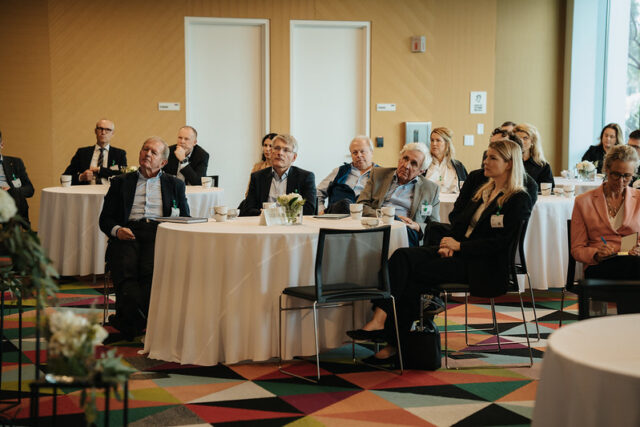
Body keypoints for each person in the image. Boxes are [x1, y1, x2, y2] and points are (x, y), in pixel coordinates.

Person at [348, 138, 532, 364]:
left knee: (413, 276)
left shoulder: (518, 198)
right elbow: (460, 224)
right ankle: (389, 333)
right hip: (460, 254)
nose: (485, 161)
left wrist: (460, 247)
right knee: (404, 257)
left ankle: (387, 334)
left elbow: (500, 244)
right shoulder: (485, 190)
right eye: (486, 156)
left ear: (509, 163)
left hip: (483, 266)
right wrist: (449, 243)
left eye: (492, 158)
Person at [99, 137, 190, 339]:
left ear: (163, 162)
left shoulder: (174, 184)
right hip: (127, 233)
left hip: (159, 234)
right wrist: (117, 230)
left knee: (150, 273)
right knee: (126, 270)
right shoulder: (121, 182)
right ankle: (139, 321)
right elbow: (105, 219)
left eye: (153, 152)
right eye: (144, 149)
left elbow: (185, 217)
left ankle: (132, 321)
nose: (147, 154)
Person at [571, 144, 640, 314]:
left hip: (633, 262)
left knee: (633, 266)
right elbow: (577, 249)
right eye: (616, 174)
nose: (621, 181)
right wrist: (596, 253)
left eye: (627, 176)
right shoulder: (584, 201)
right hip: (600, 265)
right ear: (606, 170)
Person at [357, 142, 440, 247]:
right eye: (405, 159)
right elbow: (361, 205)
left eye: (414, 163)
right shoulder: (378, 175)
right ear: (399, 159)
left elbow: (435, 226)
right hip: (377, 226)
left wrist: (417, 226)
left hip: (406, 232)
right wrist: (387, 217)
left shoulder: (431, 189)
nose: (406, 166)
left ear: (421, 171)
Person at [240, 134, 316, 216]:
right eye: (277, 148)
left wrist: (276, 214)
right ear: (271, 152)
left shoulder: (305, 177)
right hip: (264, 225)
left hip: (291, 225)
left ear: (294, 157)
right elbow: (248, 208)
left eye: (286, 150)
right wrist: (264, 214)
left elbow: (309, 210)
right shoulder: (257, 177)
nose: (280, 153)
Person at [317, 136, 377, 214]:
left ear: (371, 152)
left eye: (362, 151)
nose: (359, 155)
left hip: (366, 218)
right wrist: (321, 210)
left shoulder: (382, 175)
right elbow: (317, 192)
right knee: (344, 203)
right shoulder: (339, 171)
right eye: (355, 152)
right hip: (337, 217)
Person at [63, 119, 127, 185]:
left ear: (112, 133)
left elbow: (124, 176)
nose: (103, 132)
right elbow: (65, 177)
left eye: (107, 130)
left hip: (110, 193)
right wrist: (81, 177)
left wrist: (100, 170)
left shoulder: (119, 154)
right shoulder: (82, 153)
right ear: (95, 131)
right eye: (100, 129)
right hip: (86, 192)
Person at [0, 130, 34, 223]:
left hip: (12, 202)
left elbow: (30, 190)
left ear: (1, 145)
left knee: (15, 197)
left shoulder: (15, 163)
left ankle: (15, 233)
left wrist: (11, 190)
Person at [424, 127, 467, 193]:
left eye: (438, 140)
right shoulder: (424, 164)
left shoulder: (458, 166)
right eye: (432, 140)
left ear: (447, 143)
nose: (434, 144)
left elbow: (466, 190)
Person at [514, 123, 554, 188]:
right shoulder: (507, 163)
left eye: (525, 138)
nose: (521, 141)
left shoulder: (542, 166)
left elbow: (548, 190)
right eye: (517, 138)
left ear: (532, 141)